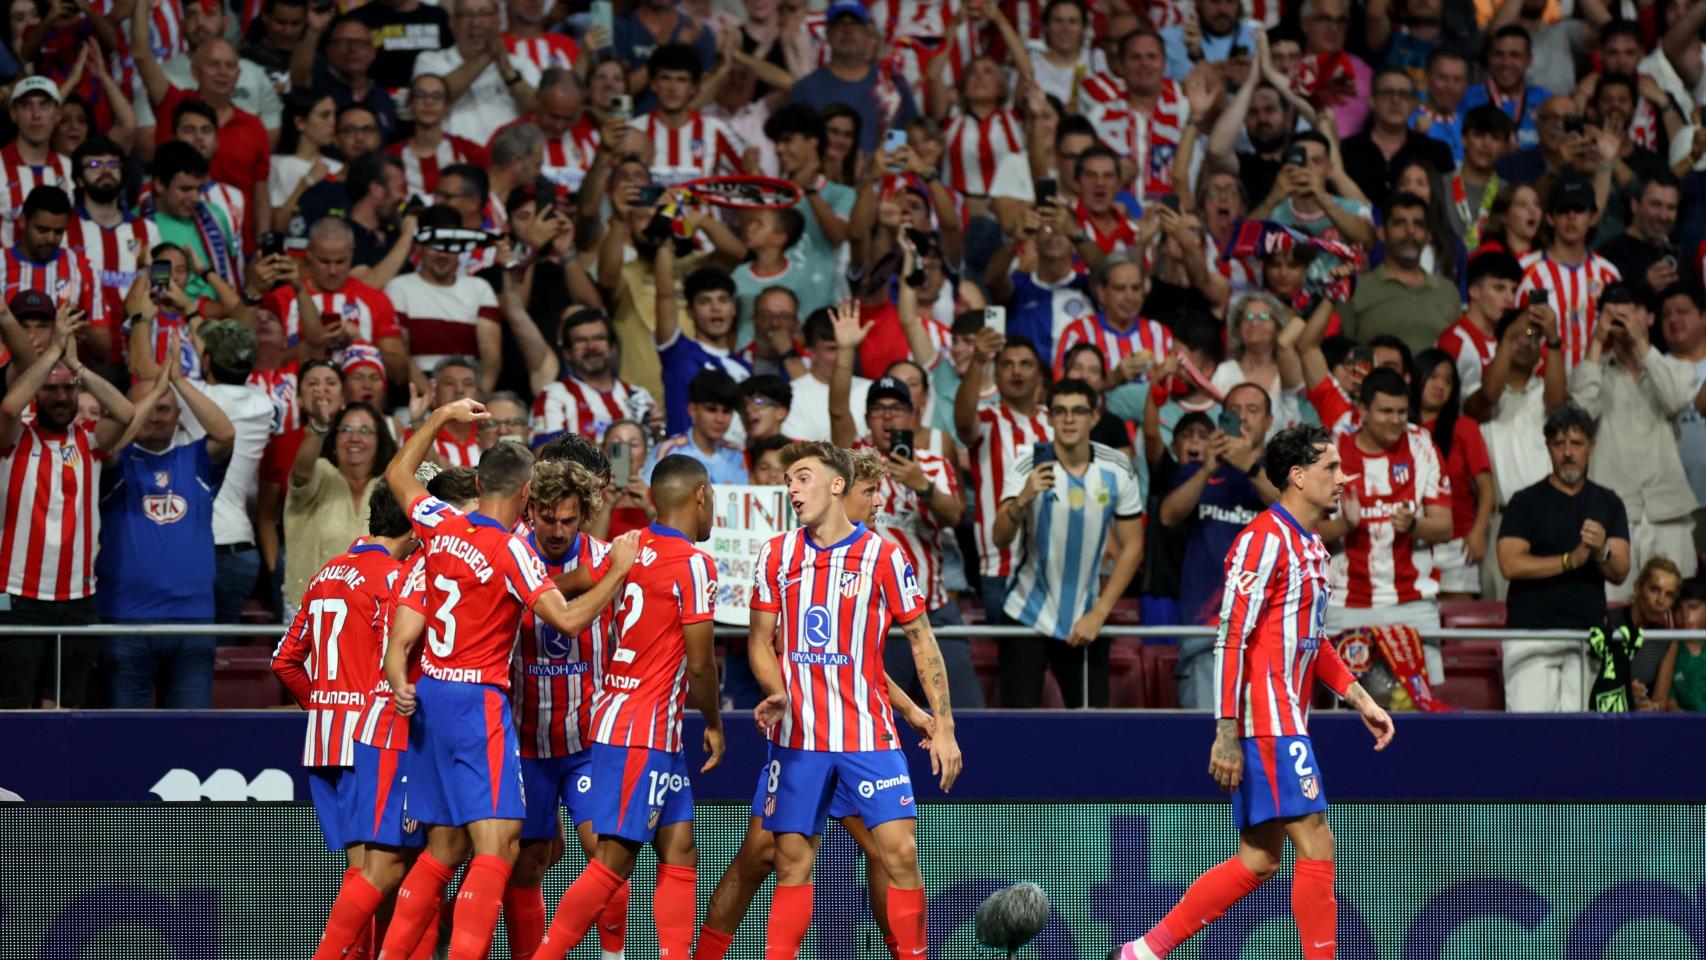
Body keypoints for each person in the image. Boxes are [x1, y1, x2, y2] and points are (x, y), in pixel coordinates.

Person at [1109, 424, 1394, 960]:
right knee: (1317, 841)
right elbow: (1231, 637)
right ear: (1297, 475)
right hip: (1263, 715)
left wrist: (1362, 701)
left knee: (1259, 858)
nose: (1342, 477)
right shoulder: (1262, 539)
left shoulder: (1313, 547)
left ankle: (1141, 953)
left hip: (1288, 716)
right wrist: (1225, 731)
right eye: (1331, 468)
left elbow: (1315, 641)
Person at [375, 399, 639, 959]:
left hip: (429, 697)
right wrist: (616, 569)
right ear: (527, 497)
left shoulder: (439, 525)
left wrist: (443, 415)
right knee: (499, 849)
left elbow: (399, 473)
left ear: (477, 480)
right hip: (479, 702)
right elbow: (566, 619)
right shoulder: (511, 550)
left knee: (444, 848)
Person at [743, 440, 959, 959]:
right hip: (799, 739)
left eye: (803, 477)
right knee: (791, 863)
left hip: (868, 735)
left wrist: (943, 727)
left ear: (836, 484)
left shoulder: (884, 554)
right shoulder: (776, 553)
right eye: (789, 480)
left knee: (900, 855)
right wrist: (776, 691)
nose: (792, 488)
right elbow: (759, 641)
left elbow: (922, 639)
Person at [532, 454, 724, 960]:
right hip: (643, 727)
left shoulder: (628, 548)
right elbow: (702, 666)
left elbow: (560, 586)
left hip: (636, 722)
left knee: (680, 850)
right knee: (612, 863)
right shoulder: (695, 564)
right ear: (701, 494)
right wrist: (715, 724)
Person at [271, 482, 417, 960]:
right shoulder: (396, 580)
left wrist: (324, 710)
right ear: (414, 529)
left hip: (324, 742)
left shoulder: (325, 574)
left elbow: (284, 661)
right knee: (375, 876)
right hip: (369, 738)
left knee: (360, 873)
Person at [504, 458, 629, 960]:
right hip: (524, 742)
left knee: (606, 854)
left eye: (568, 521)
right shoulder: (510, 555)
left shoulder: (607, 558)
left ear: (585, 516)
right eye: (547, 518)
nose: (557, 531)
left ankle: (612, 956)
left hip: (586, 742)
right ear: (529, 508)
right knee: (528, 861)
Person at [0, 299, 135, 709]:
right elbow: (8, 405)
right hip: (15, 595)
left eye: (67, 389)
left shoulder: (90, 440)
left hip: (77, 598)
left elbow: (127, 411)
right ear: (36, 394)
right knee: (14, 708)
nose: (60, 397)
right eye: (50, 389)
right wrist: (53, 353)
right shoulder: (12, 439)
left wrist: (75, 367)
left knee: (63, 708)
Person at [993, 377, 1144, 708]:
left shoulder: (1117, 467)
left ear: (1094, 417)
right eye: (1060, 411)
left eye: (1078, 411)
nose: (1069, 419)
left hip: (1085, 619)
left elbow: (1133, 546)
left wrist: (1100, 612)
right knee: (1019, 730)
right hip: (1026, 614)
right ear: (1049, 417)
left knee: (1093, 730)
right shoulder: (1028, 461)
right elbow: (999, 537)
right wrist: (1023, 497)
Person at [98, 348, 233, 708]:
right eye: (149, 407)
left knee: (191, 738)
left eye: (164, 408)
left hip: (193, 622)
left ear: (178, 417)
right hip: (126, 621)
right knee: (125, 739)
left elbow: (224, 433)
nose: (155, 417)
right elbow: (106, 445)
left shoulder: (196, 460)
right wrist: (154, 392)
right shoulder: (113, 462)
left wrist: (177, 382)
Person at [1315, 368, 1452, 682]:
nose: (1396, 419)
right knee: (1347, 712)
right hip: (1344, 603)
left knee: (1421, 711)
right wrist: (1345, 526)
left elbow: (1445, 526)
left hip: (1412, 603)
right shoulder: (1330, 454)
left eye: (1402, 411)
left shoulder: (1422, 446)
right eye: (1386, 411)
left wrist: (1414, 524)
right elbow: (1306, 533)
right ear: (1362, 411)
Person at [1497, 402, 1631, 711]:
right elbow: (1509, 563)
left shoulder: (1608, 502)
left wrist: (1601, 550)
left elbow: (1621, 569)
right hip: (1530, 636)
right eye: (1559, 444)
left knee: (1580, 740)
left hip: (1586, 637)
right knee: (1530, 736)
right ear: (1548, 447)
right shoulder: (1525, 502)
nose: (1568, 452)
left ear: (1591, 447)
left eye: (1576, 443)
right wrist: (1570, 560)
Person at [1571, 282, 1699, 599]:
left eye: (1633, 307)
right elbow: (1581, 419)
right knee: (1615, 616)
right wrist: (1598, 341)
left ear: (1650, 317)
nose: (1623, 314)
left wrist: (1641, 343)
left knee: (1674, 613)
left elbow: (1674, 400)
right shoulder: (1591, 370)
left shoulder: (1676, 368)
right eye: (1614, 309)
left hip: (1668, 511)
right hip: (1614, 515)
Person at [1159, 383, 1279, 707]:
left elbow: (1297, 513)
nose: (1241, 418)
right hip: (1207, 636)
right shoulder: (1197, 471)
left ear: (1269, 421)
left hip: (1268, 637)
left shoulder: (1280, 473)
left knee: (1264, 751)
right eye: (1233, 411)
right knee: (1207, 748)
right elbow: (1168, 515)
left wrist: (1250, 468)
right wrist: (1210, 468)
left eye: (1251, 410)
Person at [957, 327, 1050, 624]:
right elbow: (962, 422)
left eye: (1026, 364)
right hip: (1001, 568)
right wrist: (978, 361)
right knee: (1014, 668)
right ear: (995, 377)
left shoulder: (1059, 422)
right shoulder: (986, 421)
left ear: (1039, 375)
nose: (1016, 371)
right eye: (1007, 365)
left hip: (1055, 567)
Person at [67, 135, 160, 367]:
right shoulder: (65, 229)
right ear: (78, 179)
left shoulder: (148, 230)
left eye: (112, 164)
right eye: (95, 165)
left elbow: (162, 287)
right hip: (82, 355)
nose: (106, 171)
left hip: (138, 351)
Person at [385, 209, 503, 390]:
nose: (443, 254)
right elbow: (401, 355)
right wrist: (435, 402)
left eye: (451, 245)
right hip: (416, 394)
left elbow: (491, 358)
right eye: (436, 244)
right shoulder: (398, 288)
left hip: (467, 391)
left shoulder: (480, 289)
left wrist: (478, 400)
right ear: (419, 247)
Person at [1517, 176, 1623, 376]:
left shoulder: (1608, 274)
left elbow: (1618, 337)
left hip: (1597, 389)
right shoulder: (1527, 272)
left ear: (1592, 217)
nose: (1571, 217)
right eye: (1564, 210)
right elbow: (1521, 334)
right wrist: (1535, 332)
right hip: (1540, 387)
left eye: (1579, 209)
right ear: (1550, 217)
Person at [1411, 349, 1495, 600]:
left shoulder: (1464, 427)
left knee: (1459, 628)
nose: (1440, 385)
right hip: (1410, 543)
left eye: (1448, 381)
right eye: (1434, 377)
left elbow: (1487, 489)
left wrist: (1478, 532)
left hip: (1457, 544)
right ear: (1417, 378)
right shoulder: (1400, 427)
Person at [1340, 66, 1456, 210]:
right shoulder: (1346, 151)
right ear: (1371, 101)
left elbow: (1449, 208)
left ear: (1414, 103)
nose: (1395, 100)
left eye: (1404, 94)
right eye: (1388, 93)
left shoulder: (1436, 152)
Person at [1052, 252, 1174, 378]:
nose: (1129, 297)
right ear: (1101, 292)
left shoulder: (1160, 333)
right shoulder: (1078, 333)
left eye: (1136, 288)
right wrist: (1114, 379)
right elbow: (1062, 389)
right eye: (1120, 288)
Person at [1436, 250, 1524, 396]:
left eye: (1514, 290)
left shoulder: (1510, 335)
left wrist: (1534, 331)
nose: (1510, 298)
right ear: (1474, 291)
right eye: (1499, 288)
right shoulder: (1454, 341)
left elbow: (1530, 333)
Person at [645, 368, 749, 484]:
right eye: (711, 409)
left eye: (726, 411)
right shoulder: (669, 450)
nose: (720, 419)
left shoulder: (736, 454)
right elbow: (651, 497)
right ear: (692, 410)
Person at [1460, 25, 1552, 151]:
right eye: (1498, 54)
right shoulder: (1467, 97)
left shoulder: (1545, 101)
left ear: (1529, 59)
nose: (1506, 62)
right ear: (1489, 57)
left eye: (1514, 55)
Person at [1594, 173, 1682, 300]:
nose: (1663, 216)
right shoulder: (1610, 253)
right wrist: (1645, 287)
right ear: (1634, 204)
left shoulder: (1677, 253)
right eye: (1656, 205)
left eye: (1671, 208)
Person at [0, 76, 73, 225]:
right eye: (27, 106)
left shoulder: (69, 168)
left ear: (58, 113)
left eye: (44, 105)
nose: (36, 115)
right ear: (13, 113)